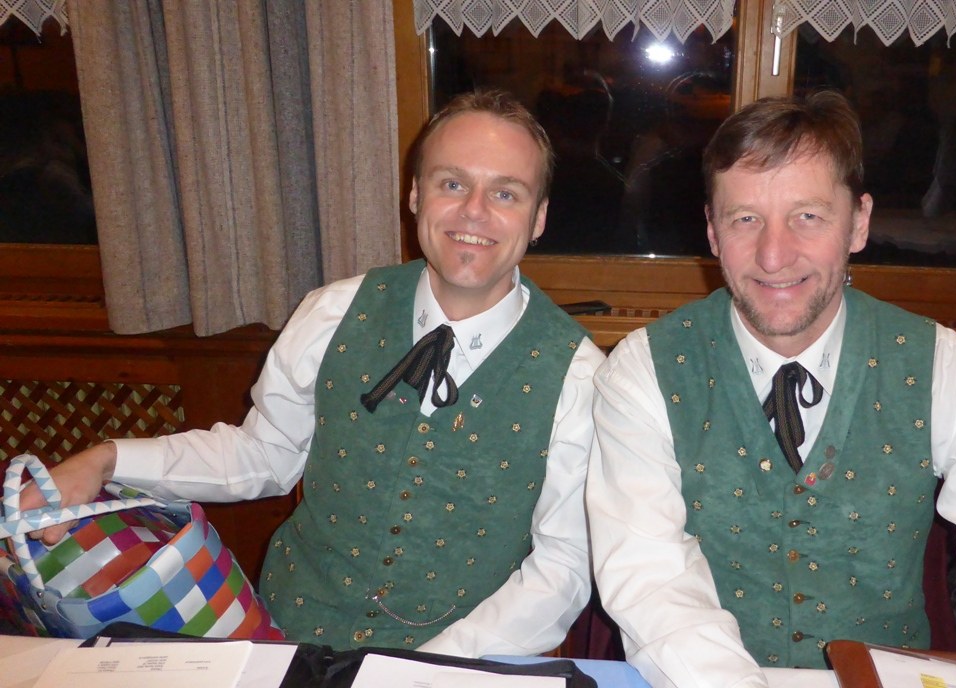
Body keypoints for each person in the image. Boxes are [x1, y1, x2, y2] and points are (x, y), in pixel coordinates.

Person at [23, 90, 603, 656]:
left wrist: (421, 670)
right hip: (290, 635)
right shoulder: (332, 313)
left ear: (538, 218)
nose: (474, 210)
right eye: (452, 183)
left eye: (505, 192)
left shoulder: (577, 376)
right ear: (414, 194)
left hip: (463, 664)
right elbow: (263, 454)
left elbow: (563, 567)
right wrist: (106, 460)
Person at [585, 91, 956, 688]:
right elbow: (649, 575)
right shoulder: (644, 372)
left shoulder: (948, 372)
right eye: (745, 219)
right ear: (712, 230)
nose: (774, 255)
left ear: (859, 223)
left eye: (808, 216)